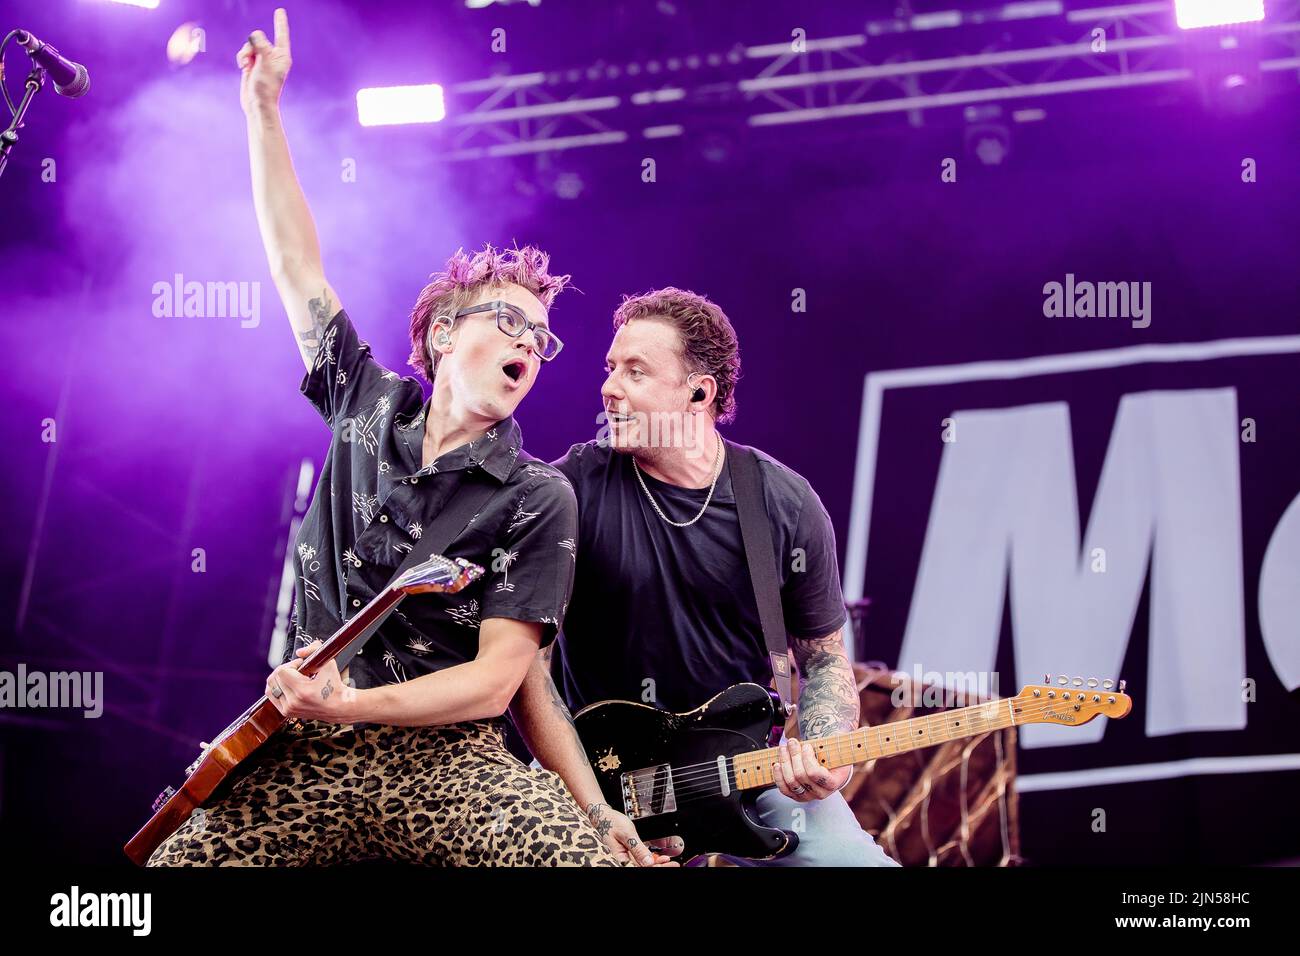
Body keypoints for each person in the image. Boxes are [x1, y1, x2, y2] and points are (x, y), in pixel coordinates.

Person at [147, 8, 636, 867]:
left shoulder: (535, 494)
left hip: (450, 763)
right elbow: (296, 263)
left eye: (542, 337)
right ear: (445, 333)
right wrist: (262, 109)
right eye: (510, 321)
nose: (531, 343)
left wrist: (348, 706)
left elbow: (496, 683)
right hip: (303, 752)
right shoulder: (363, 404)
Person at [517, 287, 901, 866]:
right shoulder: (570, 490)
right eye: (611, 367)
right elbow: (528, 663)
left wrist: (825, 749)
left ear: (699, 392)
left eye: (636, 372)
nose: (609, 386)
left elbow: (822, 656)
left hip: (747, 770)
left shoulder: (784, 503)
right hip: (600, 781)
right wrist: (589, 803)